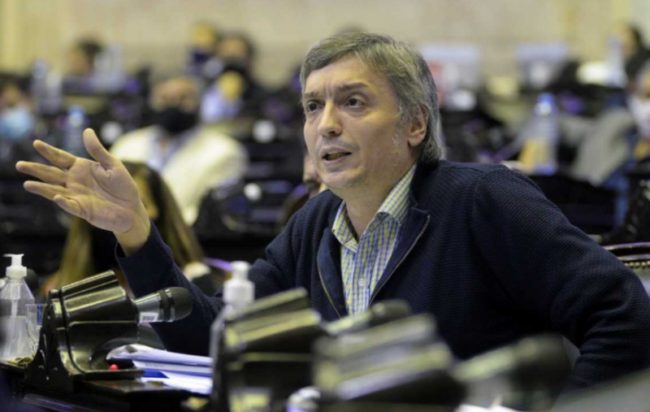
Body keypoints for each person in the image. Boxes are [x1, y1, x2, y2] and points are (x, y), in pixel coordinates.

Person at [16, 32, 650, 393]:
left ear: (414, 124)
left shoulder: (482, 200)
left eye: (353, 102)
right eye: (313, 106)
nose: (326, 125)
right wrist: (136, 233)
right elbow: (216, 339)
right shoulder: (315, 224)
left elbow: (626, 316)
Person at [40, 161, 213, 296]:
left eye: (138, 205)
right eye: (107, 204)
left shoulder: (194, 282)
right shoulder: (59, 289)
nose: (118, 217)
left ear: (161, 211)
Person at [110, 75, 248, 225]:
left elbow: (208, 215)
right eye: (165, 99)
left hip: (186, 233)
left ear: (200, 102)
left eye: (183, 98)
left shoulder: (225, 152)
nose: (173, 105)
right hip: (123, 230)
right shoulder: (125, 145)